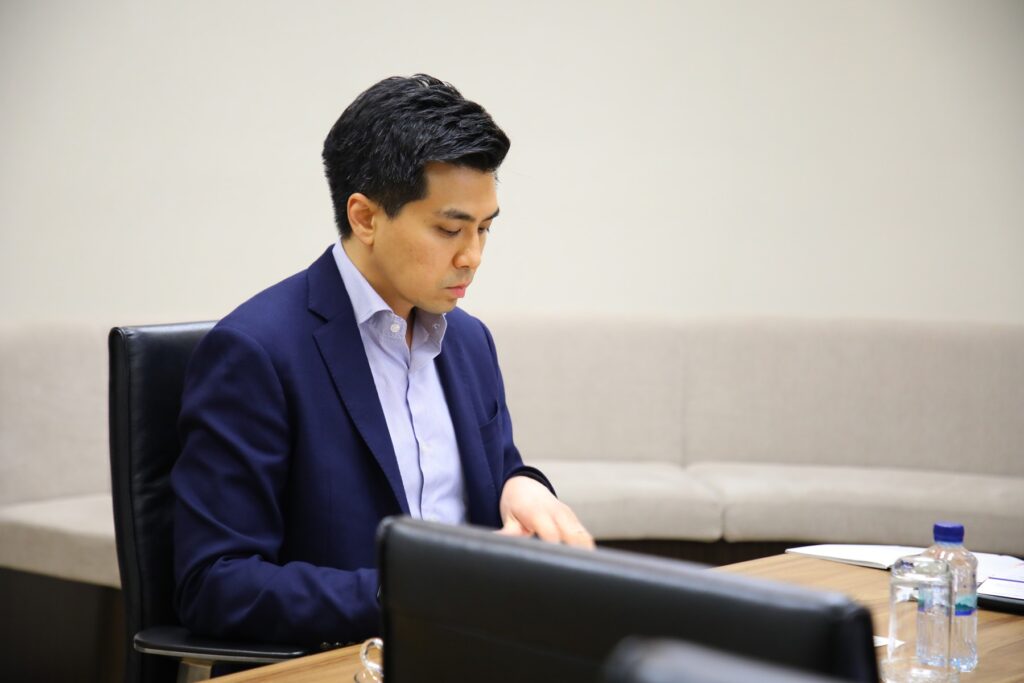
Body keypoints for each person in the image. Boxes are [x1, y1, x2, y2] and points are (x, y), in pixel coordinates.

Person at [171, 74, 593, 646]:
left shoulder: (469, 341)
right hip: (347, 660)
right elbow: (216, 585)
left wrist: (523, 485)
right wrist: (416, 593)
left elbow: (498, 471)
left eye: (485, 229)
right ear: (366, 218)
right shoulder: (256, 352)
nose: (472, 256)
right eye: (450, 229)